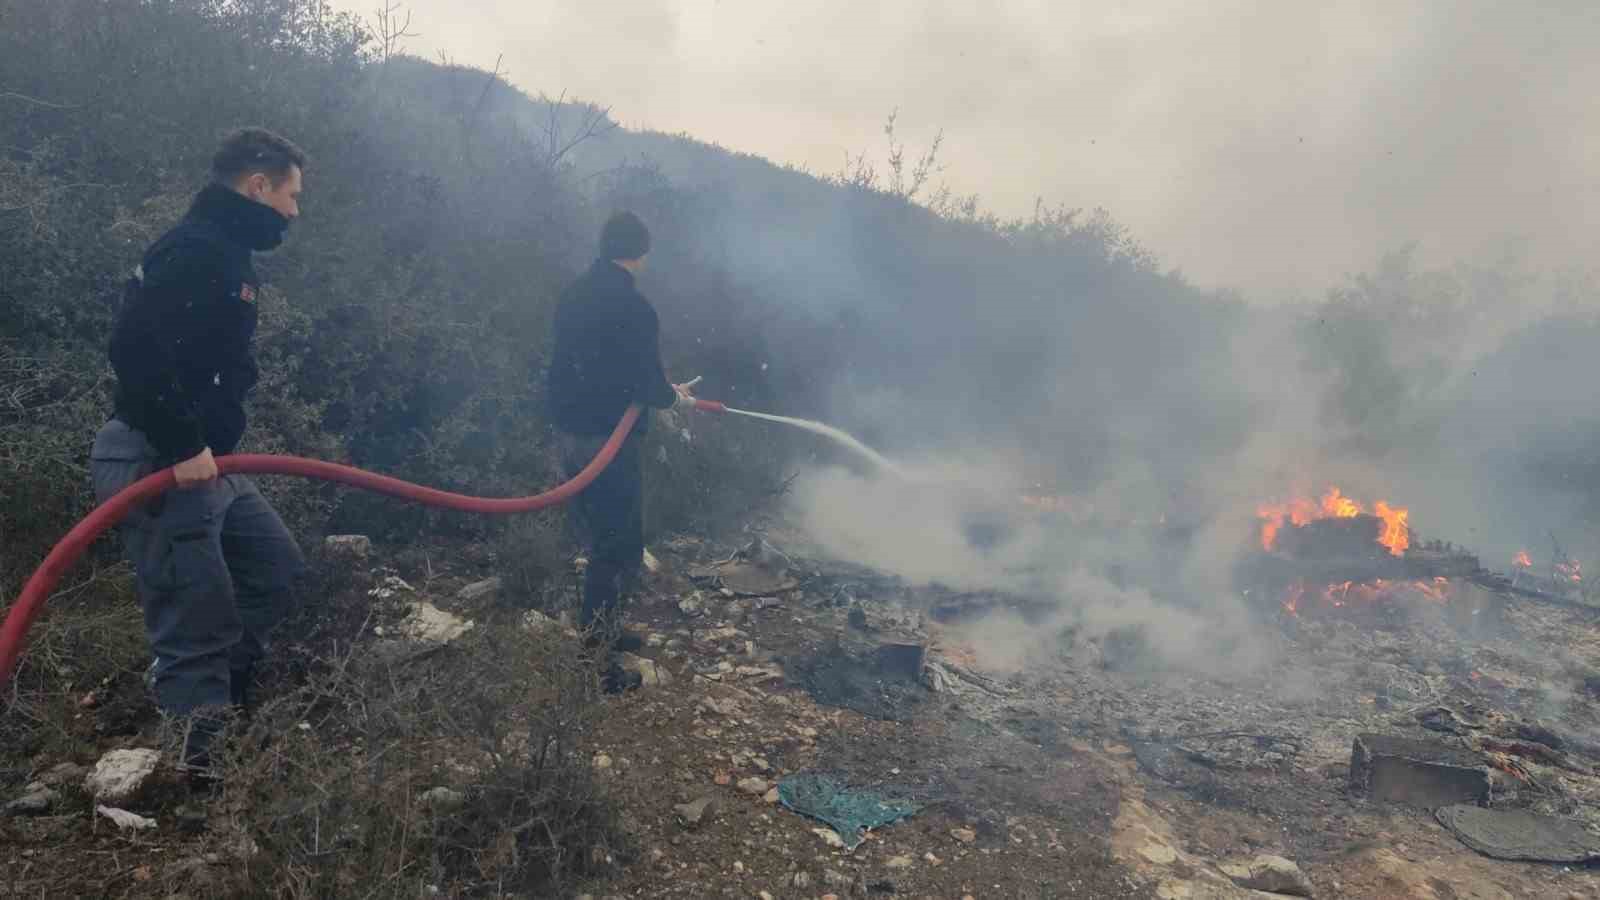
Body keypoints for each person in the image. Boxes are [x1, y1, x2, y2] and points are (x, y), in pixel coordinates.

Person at [90, 127, 309, 775]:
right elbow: (133, 348)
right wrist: (185, 444)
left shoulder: (229, 256)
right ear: (258, 186)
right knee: (196, 620)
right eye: (291, 197)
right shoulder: (192, 251)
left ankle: (225, 717)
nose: (294, 213)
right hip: (160, 460)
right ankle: (203, 778)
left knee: (276, 571)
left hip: (210, 466)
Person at [546, 211, 696, 691]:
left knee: (600, 540)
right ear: (641, 253)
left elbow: (585, 365)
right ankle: (596, 666)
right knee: (619, 545)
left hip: (569, 435)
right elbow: (646, 382)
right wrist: (673, 398)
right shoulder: (634, 308)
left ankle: (603, 630)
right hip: (608, 440)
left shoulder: (574, 293)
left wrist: (658, 390)